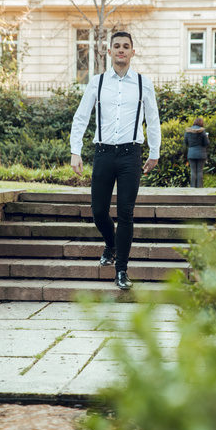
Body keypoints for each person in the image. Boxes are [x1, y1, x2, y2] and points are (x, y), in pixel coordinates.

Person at [70, 31, 161, 290]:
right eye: (117, 46)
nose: (121, 50)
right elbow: (81, 117)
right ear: (108, 52)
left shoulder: (144, 83)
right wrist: (75, 150)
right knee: (98, 211)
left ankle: (121, 270)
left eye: (126, 46)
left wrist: (154, 151)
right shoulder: (97, 83)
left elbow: (152, 119)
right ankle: (110, 244)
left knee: (126, 213)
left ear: (133, 52)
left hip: (131, 154)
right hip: (103, 153)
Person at [184, 117, 210, 188]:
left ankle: (192, 187)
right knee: (199, 171)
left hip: (191, 153)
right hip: (201, 153)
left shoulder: (188, 131)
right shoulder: (202, 132)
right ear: (201, 123)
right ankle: (200, 187)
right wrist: (207, 137)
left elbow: (185, 142)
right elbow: (206, 143)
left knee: (193, 171)